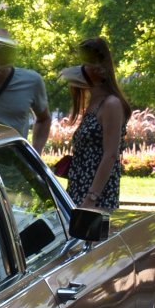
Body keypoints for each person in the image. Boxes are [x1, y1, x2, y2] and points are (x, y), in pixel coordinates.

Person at [61, 38, 129, 211]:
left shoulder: (111, 104)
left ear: (98, 68)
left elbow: (110, 154)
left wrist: (91, 199)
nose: (79, 69)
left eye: (85, 63)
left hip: (95, 199)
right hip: (78, 190)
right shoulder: (93, 104)